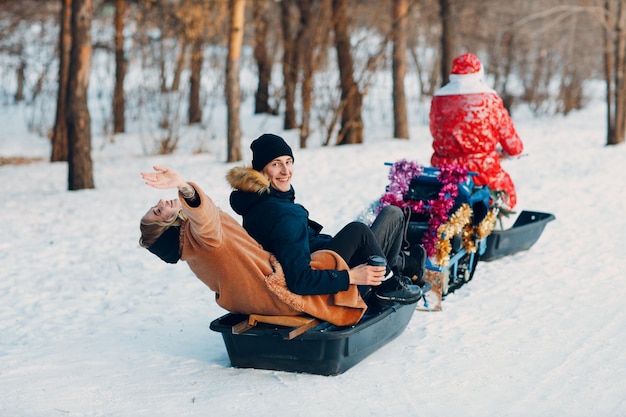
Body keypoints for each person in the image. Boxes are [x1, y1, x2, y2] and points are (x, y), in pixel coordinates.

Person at [138, 165, 370, 326]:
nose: (161, 202)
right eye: (159, 211)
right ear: (168, 226)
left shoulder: (192, 253)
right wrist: (183, 186)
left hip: (265, 296)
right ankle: (388, 283)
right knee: (359, 233)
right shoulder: (200, 238)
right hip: (285, 294)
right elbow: (205, 217)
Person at [226, 133, 426, 306]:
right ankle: (390, 284)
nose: (286, 171)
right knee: (383, 219)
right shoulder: (283, 215)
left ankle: (402, 266)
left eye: (288, 162)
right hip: (332, 279)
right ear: (261, 171)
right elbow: (300, 280)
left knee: (381, 223)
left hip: (323, 259)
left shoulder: (256, 202)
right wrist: (352, 276)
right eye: (276, 164)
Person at [429, 52, 524, 209]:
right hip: (482, 172)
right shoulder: (489, 99)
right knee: (505, 196)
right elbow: (513, 144)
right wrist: (507, 152)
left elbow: (436, 133)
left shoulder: (439, 98)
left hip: (445, 172)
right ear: (479, 72)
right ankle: (492, 228)